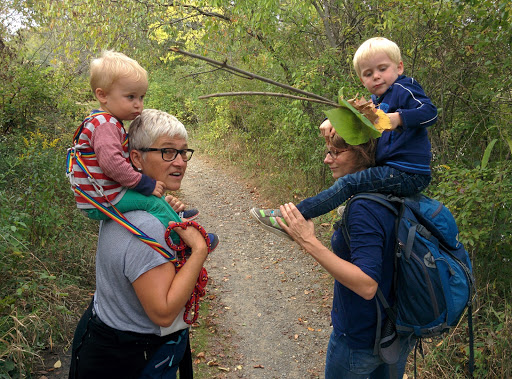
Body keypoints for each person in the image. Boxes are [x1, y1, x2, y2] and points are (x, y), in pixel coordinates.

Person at [68, 109, 217, 378]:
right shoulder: (146, 225)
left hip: (102, 340)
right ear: (135, 158)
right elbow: (163, 313)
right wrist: (200, 250)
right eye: (168, 152)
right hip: (133, 359)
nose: (180, 162)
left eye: (184, 152)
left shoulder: (118, 203)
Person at [250, 37, 437, 239]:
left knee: (349, 183)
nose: (376, 76)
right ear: (361, 80)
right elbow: (354, 117)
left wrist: (399, 118)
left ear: (399, 67)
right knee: (359, 169)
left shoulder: (404, 88)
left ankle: (293, 217)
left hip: (409, 172)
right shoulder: (376, 101)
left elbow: (430, 112)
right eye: (368, 73)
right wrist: (330, 120)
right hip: (391, 168)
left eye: (382, 69)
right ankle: (353, 211)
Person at [275, 131, 415, 378]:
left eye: (336, 152)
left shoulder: (363, 206)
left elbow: (366, 284)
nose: (327, 159)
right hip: (398, 332)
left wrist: (308, 241)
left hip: (360, 339)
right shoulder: (397, 193)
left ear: (362, 154)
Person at [67, 50, 199, 242]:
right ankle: (182, 239)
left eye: (141, 97)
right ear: (102, 95)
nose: (138, 105)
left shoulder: (104, 122)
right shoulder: (105, 125)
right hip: (103, 198)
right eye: (131, 97)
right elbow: (112, 163)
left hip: (103, 195)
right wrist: (144, 183)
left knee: (152, 197)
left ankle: (173, 216)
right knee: (151, 199)